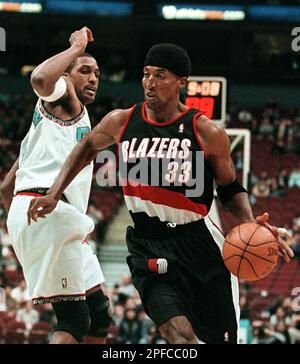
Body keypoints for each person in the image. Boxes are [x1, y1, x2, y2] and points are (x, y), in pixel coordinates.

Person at [26, 43, 294, 344]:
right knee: (177, 335)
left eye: (160, 76)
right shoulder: (122, 121)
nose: (149, 83)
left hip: (200, 244)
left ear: (181, 82)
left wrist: (249, 221)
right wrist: (53, 192)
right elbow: (86, 147)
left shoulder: (206, 131)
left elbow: (230, 187)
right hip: (148, 245)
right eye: (146, 74)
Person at [0, 27, 112, 344]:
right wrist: (77, 46)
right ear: (66, 74)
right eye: (85, 70)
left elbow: (7, 187)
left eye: (97, 73)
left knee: (98, 315)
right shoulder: (64, 98)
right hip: (48, 211)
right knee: (74, 319)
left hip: (39, 213)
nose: (93, 78)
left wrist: (24, 230)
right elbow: (40, 80)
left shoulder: (45, 130)